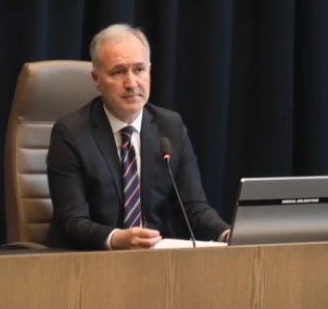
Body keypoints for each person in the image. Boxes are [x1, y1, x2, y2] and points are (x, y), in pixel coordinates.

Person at [46, 24, 231, 250]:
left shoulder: (170, 127)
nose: (132, 83)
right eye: (118, 72)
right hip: (87, 260)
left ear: (149, 70)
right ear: (96, 79)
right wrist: (116, 238)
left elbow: (194, 208)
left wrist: (226, 233)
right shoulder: (71, 133)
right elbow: (71, 221)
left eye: (139, 69)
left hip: (154, 259)